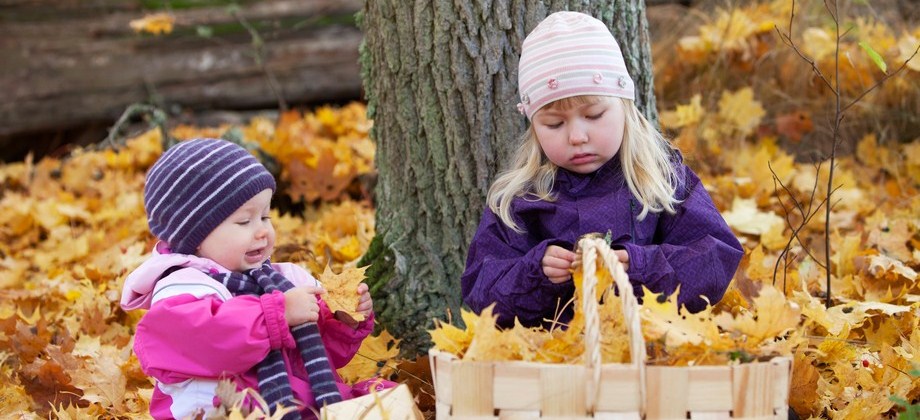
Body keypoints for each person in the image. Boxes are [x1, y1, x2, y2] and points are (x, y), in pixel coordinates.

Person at [461, 11, 744, 329]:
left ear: (624, 107)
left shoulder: (661, 181)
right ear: (534, 127)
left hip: (649, 353)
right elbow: (479, 291)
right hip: (554, 363)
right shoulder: (522, 199)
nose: (577, 137)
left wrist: (637, 266)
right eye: (554, 123)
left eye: (594, 115)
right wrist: (535, 271)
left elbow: (715, 259)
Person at [121, 138, 390, 419]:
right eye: (244, 221)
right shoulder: (182, 289)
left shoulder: (284, 279)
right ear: (195, 237)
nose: (262, 231)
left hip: (300, 403)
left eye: (265, 216)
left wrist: (340, 322)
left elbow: (315, 359)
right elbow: (212, 343)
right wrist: (276, 315)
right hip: (227, 410)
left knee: (383, 398)